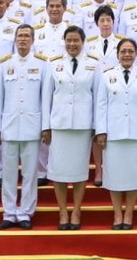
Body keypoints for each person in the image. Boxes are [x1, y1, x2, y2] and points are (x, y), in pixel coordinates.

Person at [95, 38, 137, 229]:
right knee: (114, 175)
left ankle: (128, 213)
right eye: (123, 51)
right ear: (117, 54)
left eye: (130, 51)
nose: (127, 54)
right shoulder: (107, 75)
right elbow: (101, 104)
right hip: (113, 133)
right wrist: (101, 131)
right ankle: (117, 214)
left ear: (136, 54)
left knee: (133, 175)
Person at [45, 25, 98, 230]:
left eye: (76, 40)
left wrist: (97, 126)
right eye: (69, 40)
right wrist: (46, 127)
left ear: (83, 42)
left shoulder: (94, 65)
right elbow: (46, 97)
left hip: (83, 125)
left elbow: (98, 97)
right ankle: (62, 211)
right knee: (58, 171)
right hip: (59, 124)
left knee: (78, 171)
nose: (72, 44)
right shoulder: (54, 64)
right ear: (64, 42)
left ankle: (76, 210)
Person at [0, 25, 47, 230]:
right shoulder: (4, 64)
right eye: (20, 36)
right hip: (9, 126)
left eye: (27, 36)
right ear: (14, 39)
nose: (23, 39)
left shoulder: (42, 65)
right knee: (8, 173)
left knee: (30, 173)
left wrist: (45, 126)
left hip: (32, 126)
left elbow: (45, 98)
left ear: (33, 40)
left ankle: (25, 212)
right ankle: (9, 212)